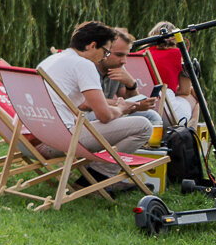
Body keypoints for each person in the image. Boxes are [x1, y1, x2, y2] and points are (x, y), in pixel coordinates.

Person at [39, 20, 158, 153]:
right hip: (55, 141)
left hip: (28, 138)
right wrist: (121, 109)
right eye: (106, 52)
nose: (104, 57)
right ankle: (99, 172)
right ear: (92, 45)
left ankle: (96, 169)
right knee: (143, 126)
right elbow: (104, 116)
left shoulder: (50, 60)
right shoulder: (84, 64)